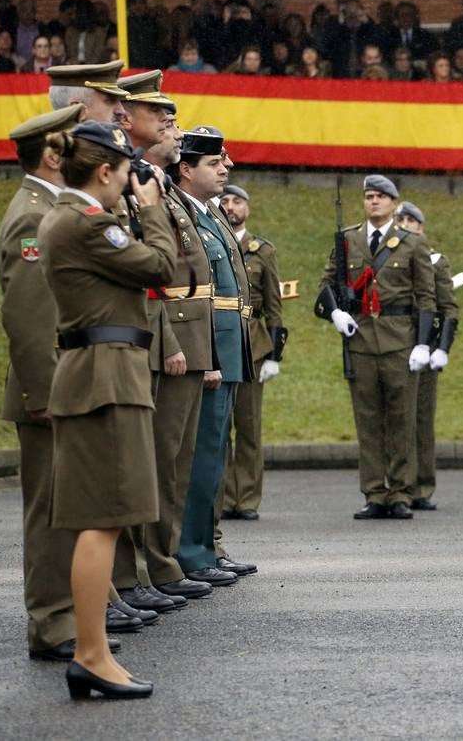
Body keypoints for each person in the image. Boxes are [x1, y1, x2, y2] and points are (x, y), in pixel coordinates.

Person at [38, 119, 177, 699]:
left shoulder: (74, 220)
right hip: (105, 379)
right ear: (104, 172)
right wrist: (153, 210)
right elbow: (161, 266)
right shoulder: (85, 223)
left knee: (106, 517)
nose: (130, 184)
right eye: (124, 174)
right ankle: (92, 655)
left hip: (101, 376)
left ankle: (92, 652)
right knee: (104, 519)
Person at [115, 70, 231, 602]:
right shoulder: (137, 187)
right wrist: (175, 344)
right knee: (152, 465)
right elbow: (155, 279)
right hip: (158, 344)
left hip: (183, 341)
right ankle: (143, 570)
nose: (171, 124)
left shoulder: (157, 188)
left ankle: (161, 564)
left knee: (177, 462)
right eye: (160, 115)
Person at [0, 103, 99, 662]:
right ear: (52, 155)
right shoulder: (33, 215)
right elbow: (29, 314)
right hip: (47, 388)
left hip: (60, 383)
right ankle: (50, 621)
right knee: (48, 513)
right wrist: (42, 393)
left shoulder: (46, 207)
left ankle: (64, 616)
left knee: (65, 507)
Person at [317, 175, 438, 519]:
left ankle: (400, 492)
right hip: (361, 340)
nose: (373, 202)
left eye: (380, 197)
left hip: (400, 341)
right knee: (368, 422)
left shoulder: (412, 242)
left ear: (394, 204)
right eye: (369, 196)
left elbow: (426, 297)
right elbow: (327, 284)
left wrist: (423, 343)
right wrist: (336, 313)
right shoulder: (347, 240)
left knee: (401, 419)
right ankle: (374, 492)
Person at [171, 126, 255, 581]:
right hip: (207, 350)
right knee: (199, 456)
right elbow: (188, 295)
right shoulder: (185, 215)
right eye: (214, 162)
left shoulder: (211, 214)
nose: (226, 168)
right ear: (186, 169)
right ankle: (191, 553)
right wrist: (205, 355)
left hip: (226, 347)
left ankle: (207, 544)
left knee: (214, 455)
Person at [219, 184, 286, 523]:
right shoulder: (212, 240)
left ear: (248, 207)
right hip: (217, 340)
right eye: (226, 200)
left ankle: (245, 498)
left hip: (252, 343)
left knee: (248, 425)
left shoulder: (262, 250)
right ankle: (220, 496)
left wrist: (275, 354)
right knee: (218, 425)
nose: (231, 206)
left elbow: (274, 306)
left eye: (238, 201)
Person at [395, 201, 460, 511]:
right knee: (395, 420)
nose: (406, 224)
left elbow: (447, 307)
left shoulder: (434, 261)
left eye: (412, 220)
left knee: (420, 420)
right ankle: (397, 486)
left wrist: (441, 349)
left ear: (421, 228)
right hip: (394, 344)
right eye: (401, 219)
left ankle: (421, 485)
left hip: (424, 348)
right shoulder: (384, 256)